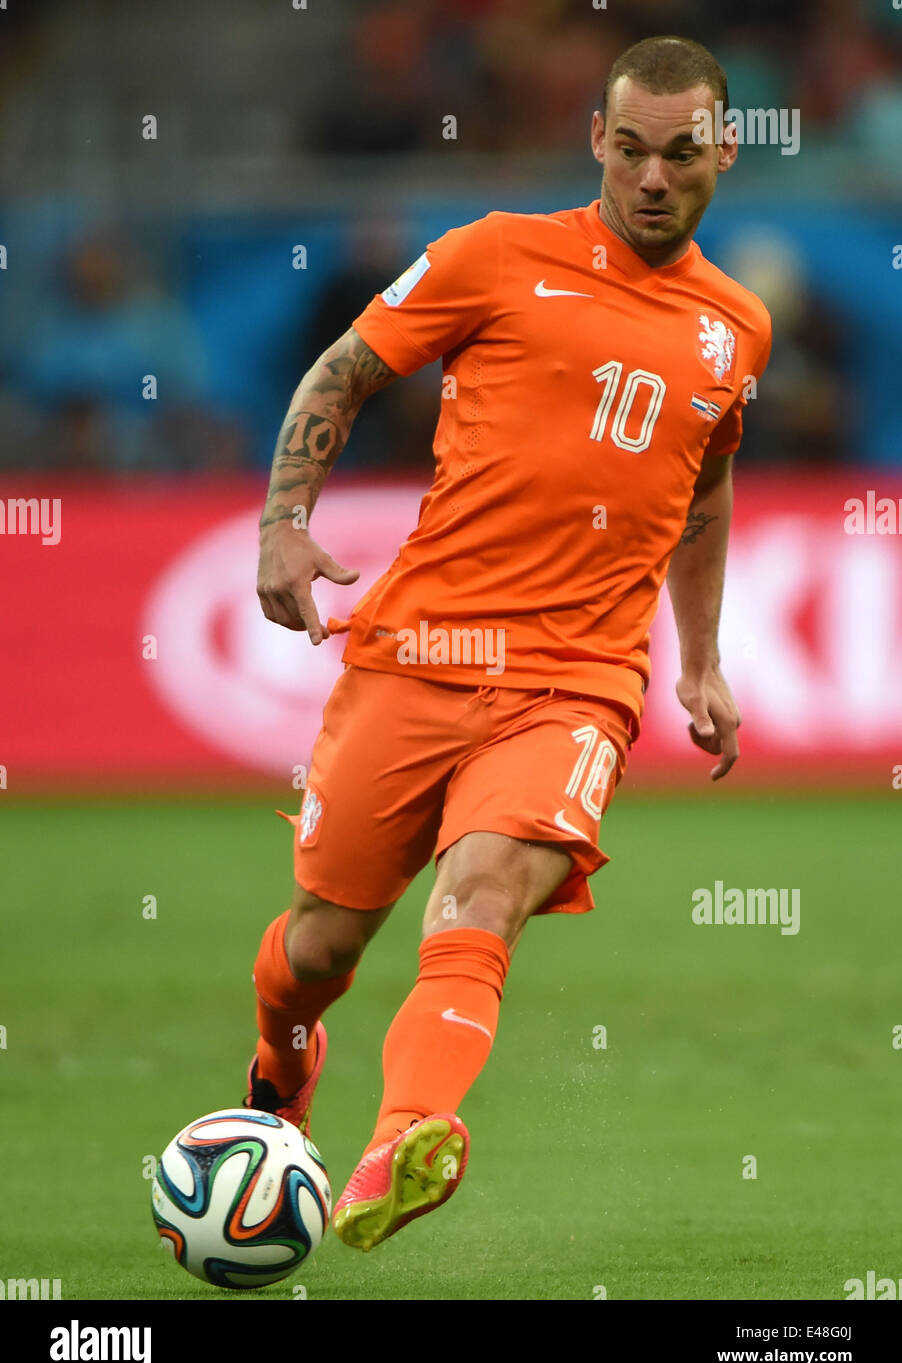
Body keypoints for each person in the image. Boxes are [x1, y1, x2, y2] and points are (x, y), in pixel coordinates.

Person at [247, 34, 772, 1253]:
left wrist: (695, 658)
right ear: (595, 141)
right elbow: (342, 371)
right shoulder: (491, 254)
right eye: (629, 149)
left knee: (480, 892)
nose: (651, 177)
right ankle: (283, 1058)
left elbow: (699, 493)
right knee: (319, 947)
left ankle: (404, 1137)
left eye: (679, 153)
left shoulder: (734, 327)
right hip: (418, 649)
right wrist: (282, 522)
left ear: (722, 150)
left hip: (576, 681)